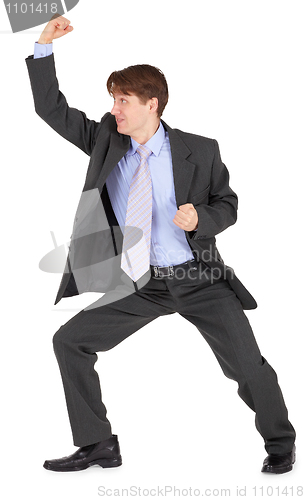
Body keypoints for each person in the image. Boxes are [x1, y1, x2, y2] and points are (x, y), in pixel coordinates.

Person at [26, 16, 296, 474]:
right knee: (69, 341)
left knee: (247, 367)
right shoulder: (105, 141)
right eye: (113, 99)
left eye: (124, 100)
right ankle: (98, 445)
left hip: (198, 277)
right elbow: (52, 109)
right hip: (141, 283)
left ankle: (280, 441)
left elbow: (228, 204)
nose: (115, 108)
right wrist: (43, 46)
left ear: (153, 104)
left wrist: (200, 218)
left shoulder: (200, 149)